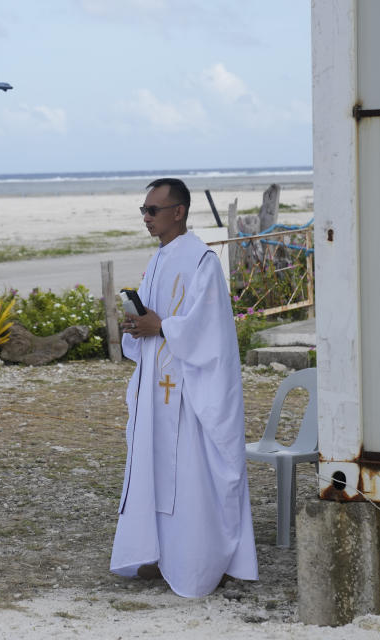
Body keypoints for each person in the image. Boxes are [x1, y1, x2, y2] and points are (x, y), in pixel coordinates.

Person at [110, 178, 258, 597]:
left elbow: (210, 330)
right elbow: (155, 322)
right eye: (143, 210)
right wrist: (138, 326)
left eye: (153, 210)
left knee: (197, 477)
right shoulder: (159, 259)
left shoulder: (202, 261)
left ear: (179, 212)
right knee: (157, 473)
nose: (145, 218)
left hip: (192, 392)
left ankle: (209, 559)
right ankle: (163, 555)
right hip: (159, 390)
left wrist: (162, 326)